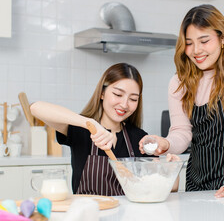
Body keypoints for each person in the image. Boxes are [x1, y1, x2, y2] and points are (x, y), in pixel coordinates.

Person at [139, 4, 224, 199]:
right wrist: (165, 143)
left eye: (204, 41)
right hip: (197, 180)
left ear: (222, 38)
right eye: (189, 43)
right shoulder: (179, 81)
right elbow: (181, 132)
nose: (196, 50)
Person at [31, 63, 154, 196]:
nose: (124, 104)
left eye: (133, 99)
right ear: (102, 93)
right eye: (118, 95)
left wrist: (171, 166)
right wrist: (89, 123)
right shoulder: (81, 130)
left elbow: (165, 185)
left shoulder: (139, 138)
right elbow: (36, 108)